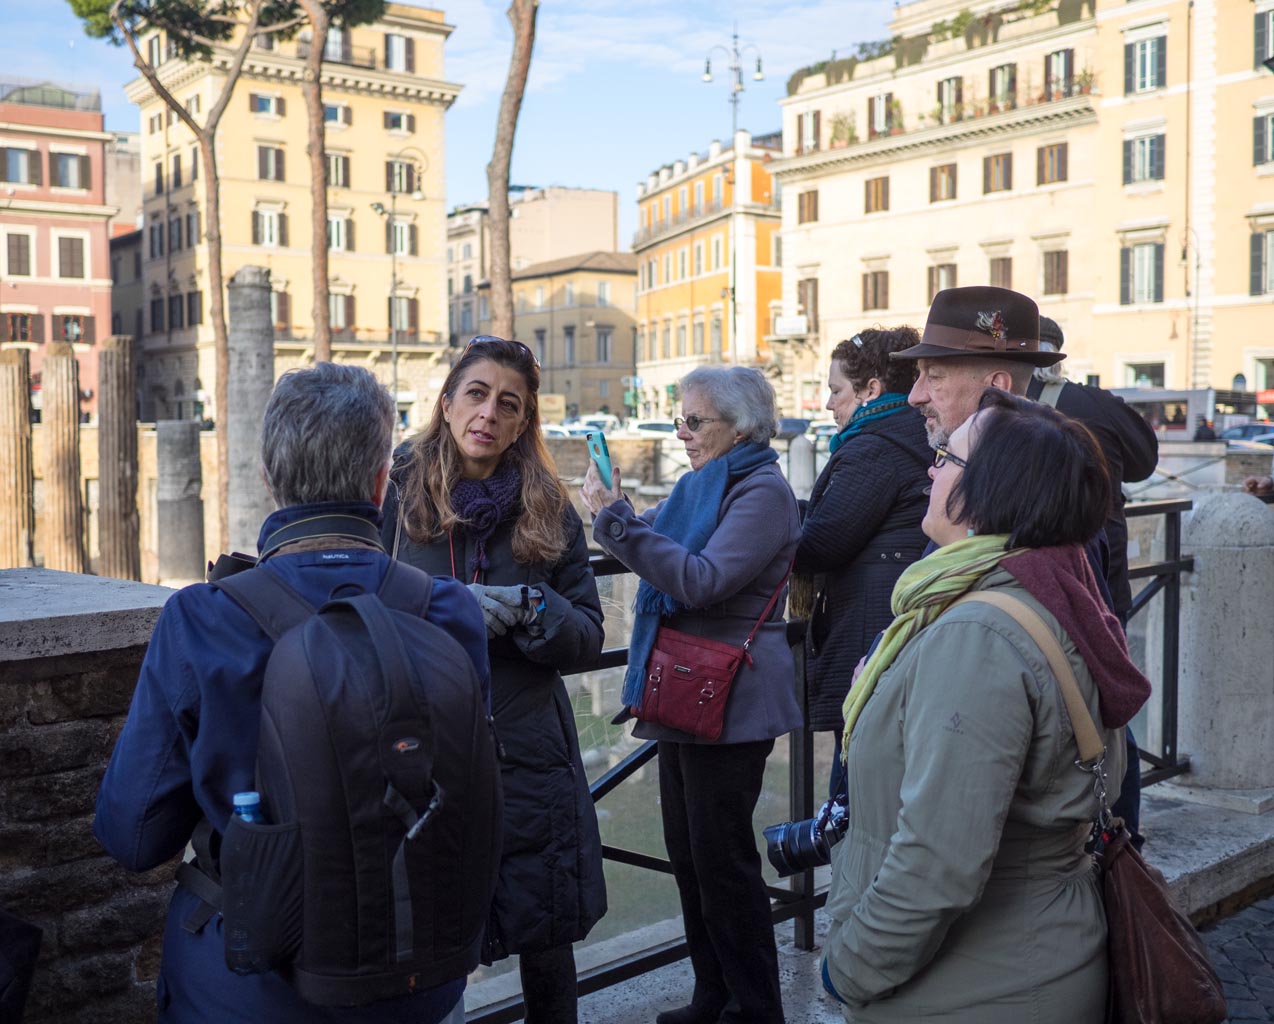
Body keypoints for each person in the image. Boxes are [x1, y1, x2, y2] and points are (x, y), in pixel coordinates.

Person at [94, 363, 491, 1024]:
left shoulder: (202, 618)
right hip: (417, 972)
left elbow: (132, 835)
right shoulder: (448, 610)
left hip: (245, 985)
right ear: (379, 481)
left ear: (269, 480)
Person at [821, 388, 1150, 1022]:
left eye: (946, 456)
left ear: (993, 490)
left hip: (975, 987)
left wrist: (848, 969)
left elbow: (940, 861)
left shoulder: (978, 633)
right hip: (1025, 961)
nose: (929, 466)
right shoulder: (1046, 590)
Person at [382, 335, 605, 1024]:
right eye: (475, 394)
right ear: (447, 403)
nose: (488, 413)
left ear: (522, 422)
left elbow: (590, 635)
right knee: (421, 937)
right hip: (423, 749)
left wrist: (538, 611)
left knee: (544, 932)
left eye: (508, 404)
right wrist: (441, 612)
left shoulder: (551, 508)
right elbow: (354, 612)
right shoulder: (392, 497)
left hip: (526, 749)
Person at [582, 365, 801, 1024]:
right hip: (685, 689)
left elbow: (701, 580)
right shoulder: (701, 486)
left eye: (693, 421)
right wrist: (614, 519)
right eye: (680, 419)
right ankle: (713, 997)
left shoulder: (761, 492)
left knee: (724, 865)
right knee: (691, 860)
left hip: (729, 700)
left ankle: (756, 1009)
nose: (681, 432)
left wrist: (614, 523)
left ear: (740, 427)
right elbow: (652, 538)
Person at [792, 328, 929, 788]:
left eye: (835, 391)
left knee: (855, 784)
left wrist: (769, 524)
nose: (829, 404)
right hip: (898, 621)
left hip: (871, 633)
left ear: (872, 389)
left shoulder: (874, 448)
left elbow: (822, 543)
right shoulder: (911, 434)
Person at [1029, 317, 1159, 624]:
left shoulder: (996, 406)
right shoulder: (1095, 402)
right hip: (1101, 575)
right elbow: (1143, 462)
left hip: (1028, 583)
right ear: (1057, 356)